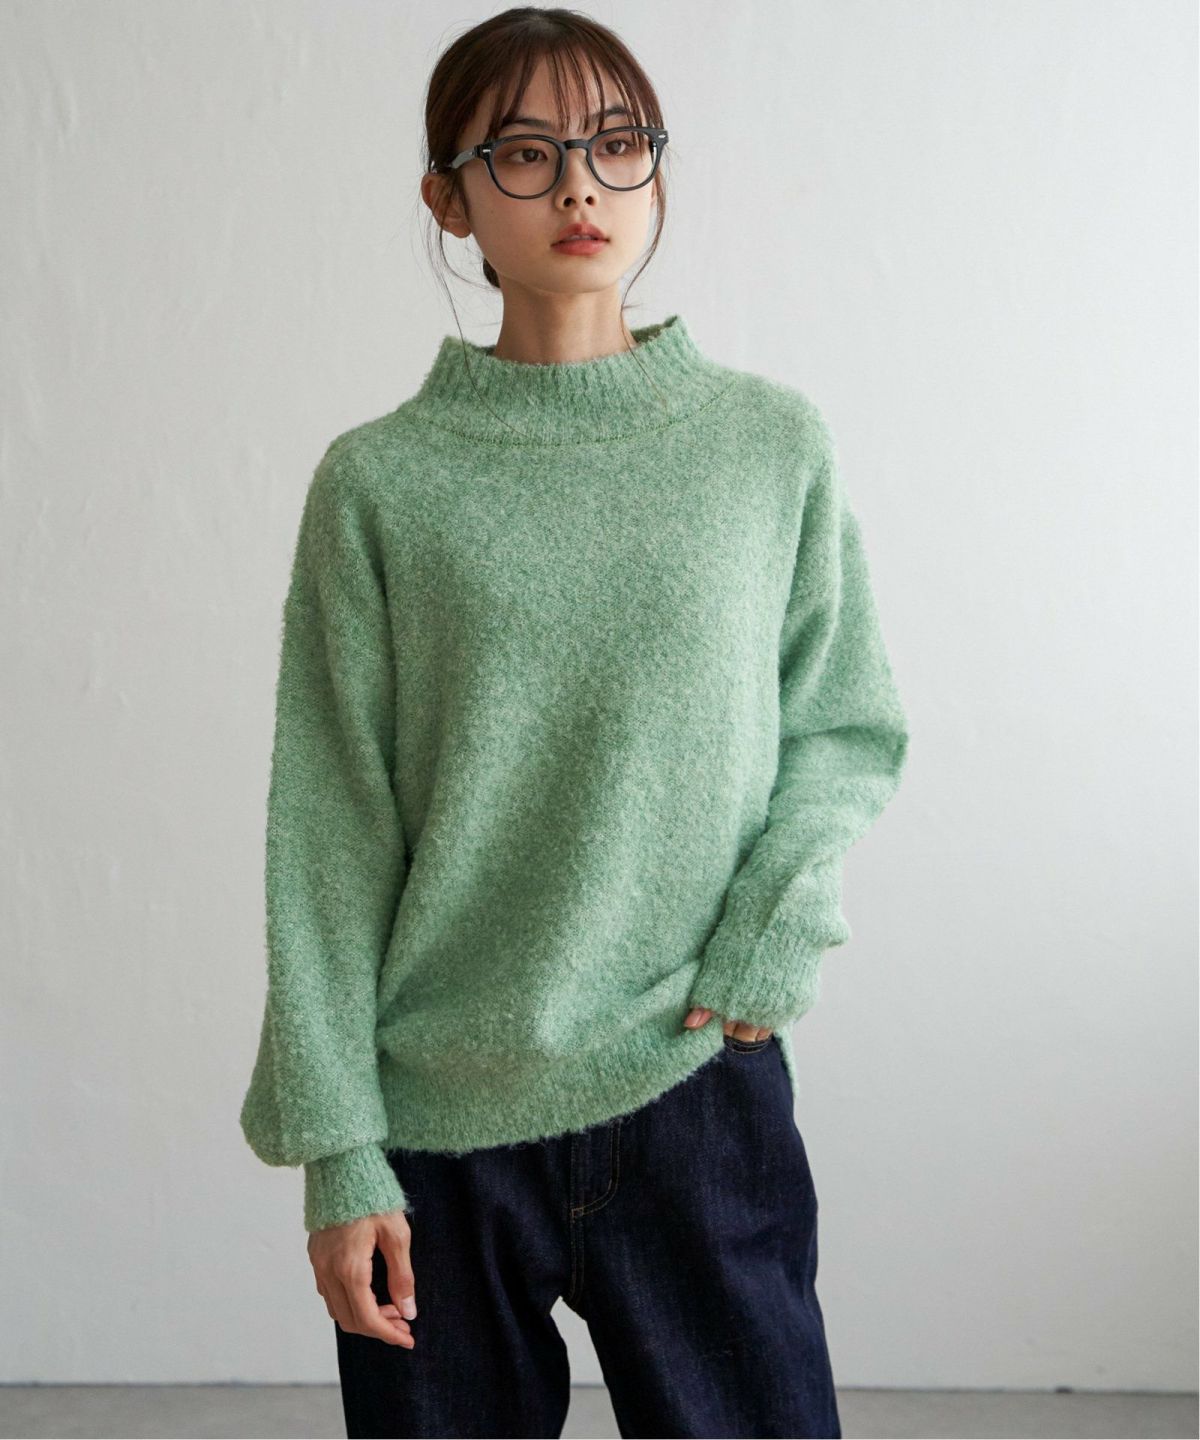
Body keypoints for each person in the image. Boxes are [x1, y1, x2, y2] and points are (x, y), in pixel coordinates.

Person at [239, 7, 909, 1437]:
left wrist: (780, 920)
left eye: (616, 145)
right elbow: (328, 830)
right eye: (526, 153)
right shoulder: (381, 484)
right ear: (450, 197)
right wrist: (338, 1149)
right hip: (436, 1123)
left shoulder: (765, 445)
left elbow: (842, 726)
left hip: (696, 1075)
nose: (581, 187)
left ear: (657, 171)